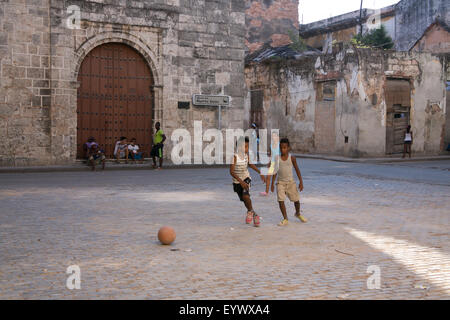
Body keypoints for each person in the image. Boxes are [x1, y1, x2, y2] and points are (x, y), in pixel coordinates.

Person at [230, 136, 265, 228]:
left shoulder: (246, 155)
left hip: (246, 178)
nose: (245, 149)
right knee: (245, 200)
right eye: (243, 147)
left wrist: (259, 172)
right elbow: (231, 172)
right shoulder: (234, 157)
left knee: (246, 196)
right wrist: (240, 182)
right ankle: (253, 213)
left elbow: (250, 164)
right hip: (237, 182)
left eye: (246, 147)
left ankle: (250, 212)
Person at [271, 138, 307, 226]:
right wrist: (272, 183)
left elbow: (297, 170)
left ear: (288, 148)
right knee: (280, 200)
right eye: (281, 148)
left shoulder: (292, 158)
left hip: (291, 182)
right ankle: (285, 218)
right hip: (280, 183)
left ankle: (297, 213)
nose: (283, 150)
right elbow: (275, 171)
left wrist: (301, 182)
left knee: (296, 200)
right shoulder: (277, 159)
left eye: (285, 147)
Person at [260, 131, 280, 197]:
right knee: (268, 177)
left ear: (277, 137)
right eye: (272, 136)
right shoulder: (271, 145)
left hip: (279, 163)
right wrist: (269, 162)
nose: (273, 137)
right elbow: (270, 155)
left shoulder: (280, 145)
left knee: (275, 176)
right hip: (272, 163)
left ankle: (272, 184)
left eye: (275, 136)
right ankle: (266, 191)